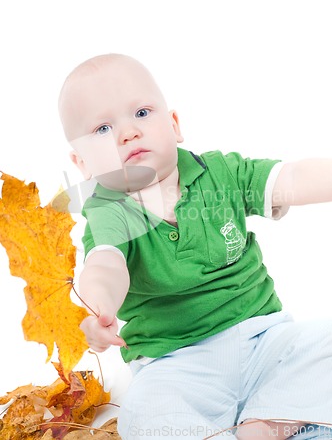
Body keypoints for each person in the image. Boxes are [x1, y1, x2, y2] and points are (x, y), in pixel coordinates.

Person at [58, 53, 332, 440]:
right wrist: (99, 304)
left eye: (141, 113)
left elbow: (292, 177)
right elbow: (105, 265)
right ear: (82, 163)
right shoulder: (110, 211)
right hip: (177, 364)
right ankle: (275, 423)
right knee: (144, 416)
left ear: (173, 124)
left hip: (266, 340)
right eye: (102, 129)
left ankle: (268, 423)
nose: (127, 133)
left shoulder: (221, 173)